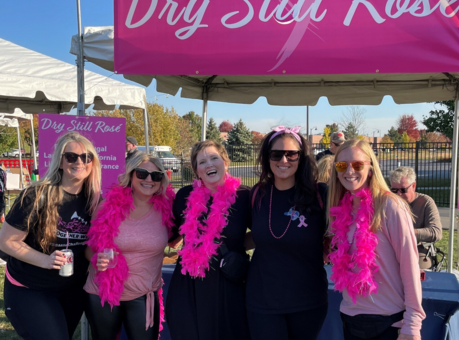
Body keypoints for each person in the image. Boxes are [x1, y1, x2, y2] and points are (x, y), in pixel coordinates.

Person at [0, 131, 101, 340]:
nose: (79, 162)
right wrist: (46, 260)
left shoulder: (95, 201)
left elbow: (90, 247)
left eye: (86, 157)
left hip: (72, 290)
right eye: (71, 156)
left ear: (93, 162)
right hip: (30, 287)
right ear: (61, 162)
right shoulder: (36, 195)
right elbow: (6, 241)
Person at [328, 139, 425, 340]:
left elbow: (410, 265)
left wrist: (412, 324)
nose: (349, 171)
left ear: (370, 169)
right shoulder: (341, 209)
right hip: (350, 317)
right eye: (341, 165)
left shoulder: (390, 206)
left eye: (357, 165)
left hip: (387, 321)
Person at [246, 126, 328, 340]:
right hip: (262, 300)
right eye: (276, 154)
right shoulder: (257, 194)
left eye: (291, 154)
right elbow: (249, 236)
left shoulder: (320, 194)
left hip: (308, 301)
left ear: (301, 158)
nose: (284, 160)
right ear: (267, 158)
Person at [84, 151, 175, 340]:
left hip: (143, 295)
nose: (149, 180)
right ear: (131, 175)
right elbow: (89, 249)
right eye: (142, 173)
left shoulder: (168, 208)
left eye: (156, 176)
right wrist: (95, 258)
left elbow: (178, 237)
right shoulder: (106, 207)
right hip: (103, 291)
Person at [166, 140, 251, 340]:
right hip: (188, 282)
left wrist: (237, 245)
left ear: (225, 162)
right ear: (196, 170)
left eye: (214, 158)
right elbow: (174, 234)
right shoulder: (185, 195)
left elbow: (261, 233)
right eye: (202, 162)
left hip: (227, 281)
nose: (209, 164)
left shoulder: (244, 196)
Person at [389, 166, 443, 269]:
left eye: (403, 190)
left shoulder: (426, 202)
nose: (399, 194)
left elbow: (436, 232)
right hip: (392, 250)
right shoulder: (388, 202)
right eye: (394, 190)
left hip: (418, 250)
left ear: (413, 186)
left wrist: (406, 232)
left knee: (414, 270)